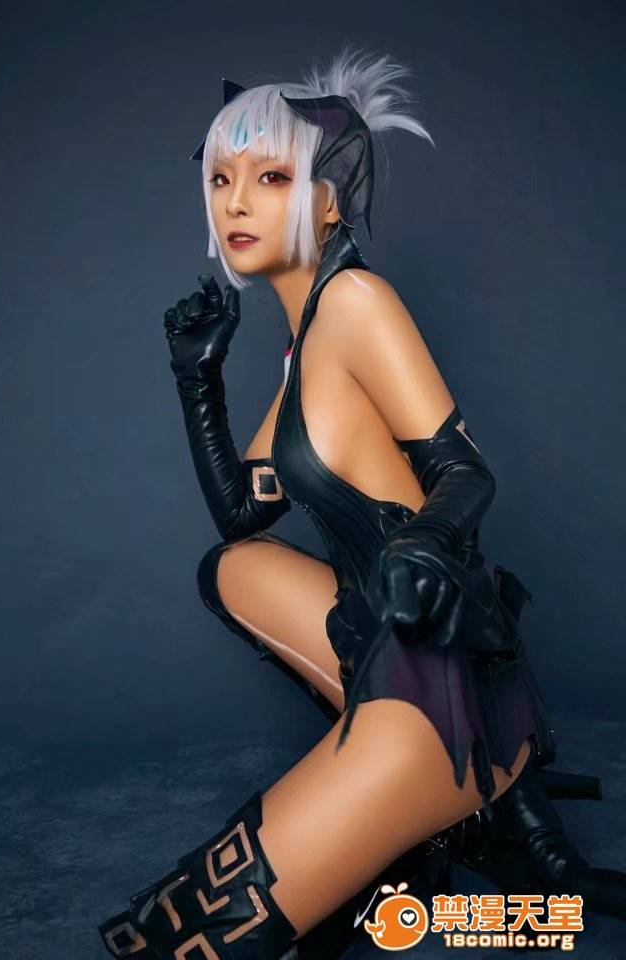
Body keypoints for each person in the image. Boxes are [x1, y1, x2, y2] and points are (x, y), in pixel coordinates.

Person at [99, 47, 626, 960]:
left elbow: (465, 471)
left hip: (437, 688)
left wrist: (423, 547)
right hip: (382, 647)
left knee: (184, 935)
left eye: (270, 178)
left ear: (329, 201)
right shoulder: (309, 340)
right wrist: (198, 382)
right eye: (221, 179)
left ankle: (479, 817)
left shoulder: (356, 303)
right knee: (229, 570)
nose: (235, 203)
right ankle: (471, 817)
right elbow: (243, 513)